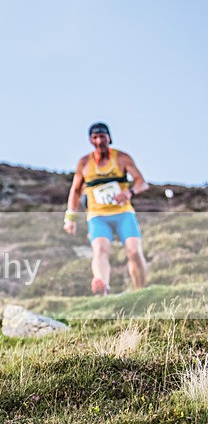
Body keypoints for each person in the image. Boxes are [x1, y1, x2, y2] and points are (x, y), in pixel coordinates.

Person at [64, 122, 150, 295]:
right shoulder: (84, 163)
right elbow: (75, 191)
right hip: (97, 216)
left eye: (102, 136)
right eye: (95, 137)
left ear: (109, 138)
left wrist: (129, 192)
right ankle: (102, 288)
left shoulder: (122, 158)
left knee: (134, 251)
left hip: (123, 213)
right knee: (100, 250)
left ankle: (140, 291)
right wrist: (70, 218)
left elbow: (142, 183)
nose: (99, 141)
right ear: (90, 140)